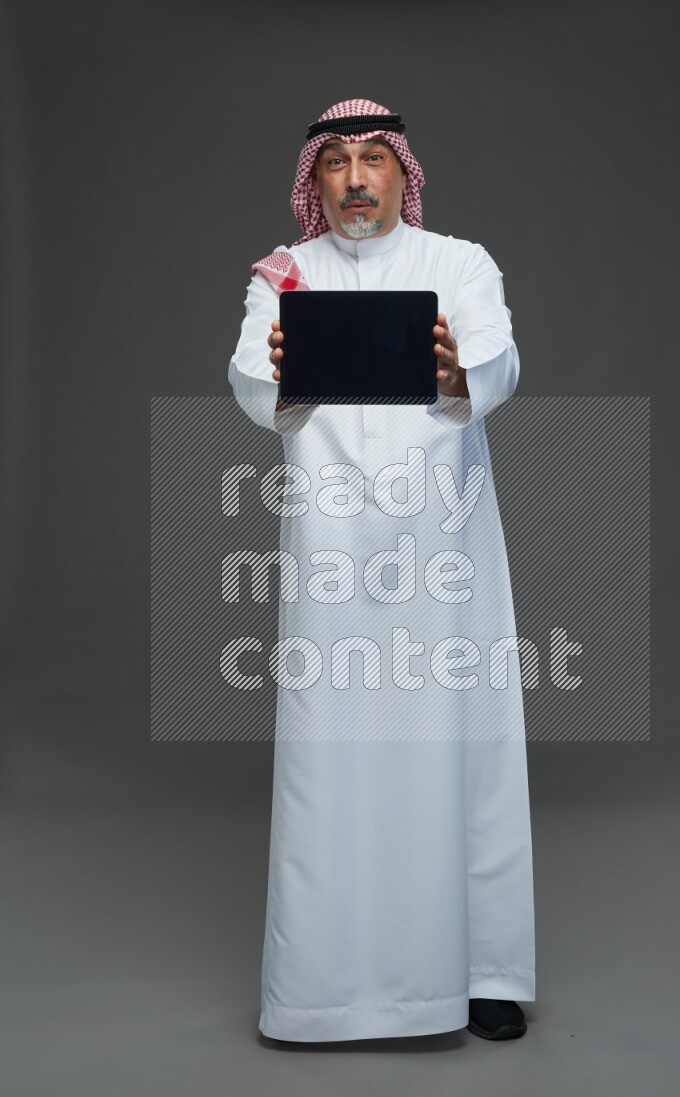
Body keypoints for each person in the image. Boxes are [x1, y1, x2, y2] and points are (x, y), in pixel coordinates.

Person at [228, 99, 535, 1043]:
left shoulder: (459, 263)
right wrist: (277, 374)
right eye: (336, 164)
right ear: (314, 182)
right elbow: (249, 376)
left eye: (374, 159)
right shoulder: (286, 274)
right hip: (330, 555)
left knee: (461, 749)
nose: (357, 179)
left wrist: (457, 376)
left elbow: (499, 356)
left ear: (404, 171)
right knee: (333, 760)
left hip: (442, 554)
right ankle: (322, 989)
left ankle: (481, 970)